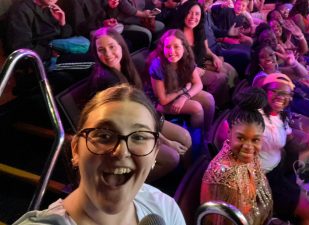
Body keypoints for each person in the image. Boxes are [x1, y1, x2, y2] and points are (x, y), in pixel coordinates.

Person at [13, 84, 186, 224]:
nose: (121, 151)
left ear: (155, 154)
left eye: (139, 137)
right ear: (75, 149)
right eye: (104, 136)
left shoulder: (165, 207)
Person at [89, 27, 192, 181]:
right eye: (101, 50)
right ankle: (129, 184)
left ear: (121, 46)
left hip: (142, 119)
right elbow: (130, 122)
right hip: (123, 132)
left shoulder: (126, 67)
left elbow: (140, 105)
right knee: (172, 157)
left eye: (112, 47)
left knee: (185, 137)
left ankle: (185, 179)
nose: (108, 54)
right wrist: (166, 141)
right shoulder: (107, 80)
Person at [201, 87, 273, 225]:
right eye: (241, 138)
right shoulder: (225, 177)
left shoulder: (249, 157)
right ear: (229, 133)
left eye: (255, 140)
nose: (248, 146)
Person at [253, 73, 309, 225]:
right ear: (264, 91)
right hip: (262, 180)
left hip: (277, 171)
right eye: (275, 91)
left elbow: (290, 141)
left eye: (286, 94)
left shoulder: (279, 115)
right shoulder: (255, 118)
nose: (281, 97)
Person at [148, 29, 215, 137]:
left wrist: (184, 97)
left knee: (209, 99)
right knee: (196, 108)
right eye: (168, 47)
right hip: (159, 102)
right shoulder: (158, 66)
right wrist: (183, 91)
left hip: (178, 91)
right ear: (163, 48)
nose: (172, 52)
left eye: (176, 46)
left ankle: (206, 134)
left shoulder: (187, 59)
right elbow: (163, 100)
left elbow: (198, 84)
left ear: (184, 47)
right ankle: (195, 141)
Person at [174, 0, 237, 108]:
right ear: (184, 12)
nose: (193, 16)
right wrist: (196, 69)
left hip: (200, 62)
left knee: (230, 70)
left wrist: (214, 57)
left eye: (197, 14)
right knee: (220, 78)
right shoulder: (175, 33)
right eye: (190, 12)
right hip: (186, 69)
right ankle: (213, 106)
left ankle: (229, 102)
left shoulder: (199, 29)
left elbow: (206, 49)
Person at [6, 0, 73, 61]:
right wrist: (52, 53)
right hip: (41, 62)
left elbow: (65, 37)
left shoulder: (49, 7)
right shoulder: (20, 10)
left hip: (57, 53)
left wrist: (62, 23)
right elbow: (22, 49)